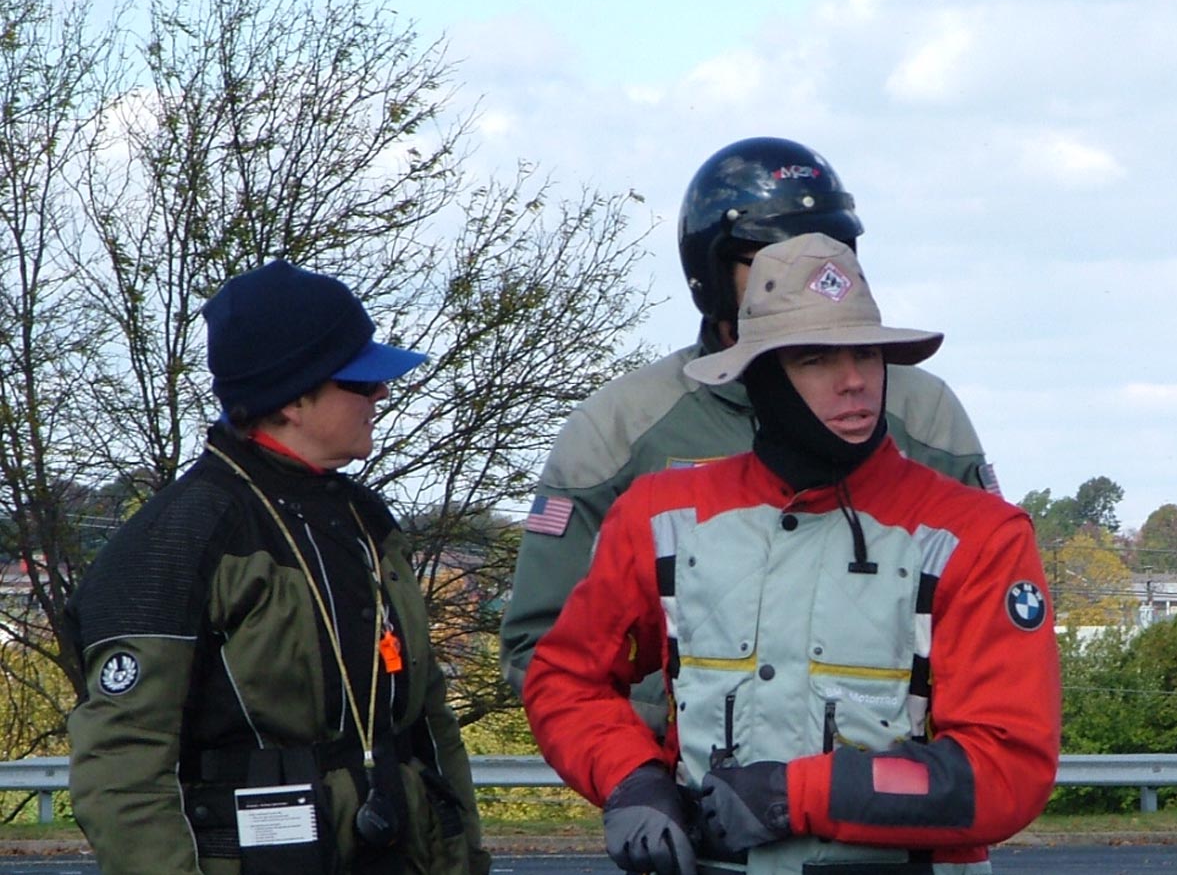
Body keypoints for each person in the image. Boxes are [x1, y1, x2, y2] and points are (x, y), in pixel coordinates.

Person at [522, 233, 1061, 875]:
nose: (854, 381)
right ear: (760, 376)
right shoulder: (659, 515)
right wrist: (631, 779)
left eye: (867, 354)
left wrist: (797, 795)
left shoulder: (979, 534)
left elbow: (1006, 770)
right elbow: (565, 678)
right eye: (815, 359)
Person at [500, 137, 1001, 730]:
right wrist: (662, 750)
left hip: (890, 772)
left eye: (829, 249)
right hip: (684, 777)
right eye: (772, 255)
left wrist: (921, 763)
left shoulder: (923, 413)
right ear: (711, 272)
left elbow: (990, 627)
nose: (807, 270)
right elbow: (543, 649)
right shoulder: (620, 426)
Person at [66, 260, 491, 875]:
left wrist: (468, 856)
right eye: (360, 381)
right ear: (292, 399)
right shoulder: (176, 542)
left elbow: (431, 722)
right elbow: (122, 765)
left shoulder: (369, 522)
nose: (381, 393)